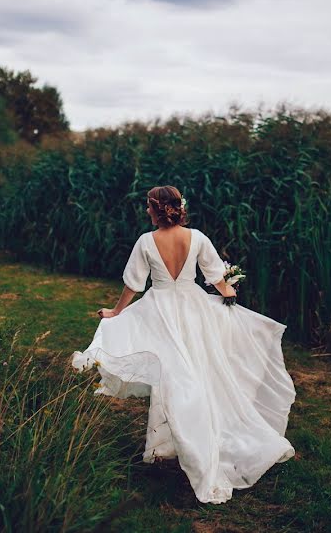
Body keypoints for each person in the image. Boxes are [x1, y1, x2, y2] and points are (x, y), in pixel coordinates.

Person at [71, 185, 296, 504]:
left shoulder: (146, 242)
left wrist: (116, 312)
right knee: (197, 371)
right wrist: (228, 293)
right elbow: (216, 276)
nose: (146, 211)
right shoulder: (199, 238)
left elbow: (133, 283)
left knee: (173, 376)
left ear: (156, 208)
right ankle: (169, 444)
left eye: (148, 207)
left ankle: (181, 443)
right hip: (194, 309)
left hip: (161, 310)